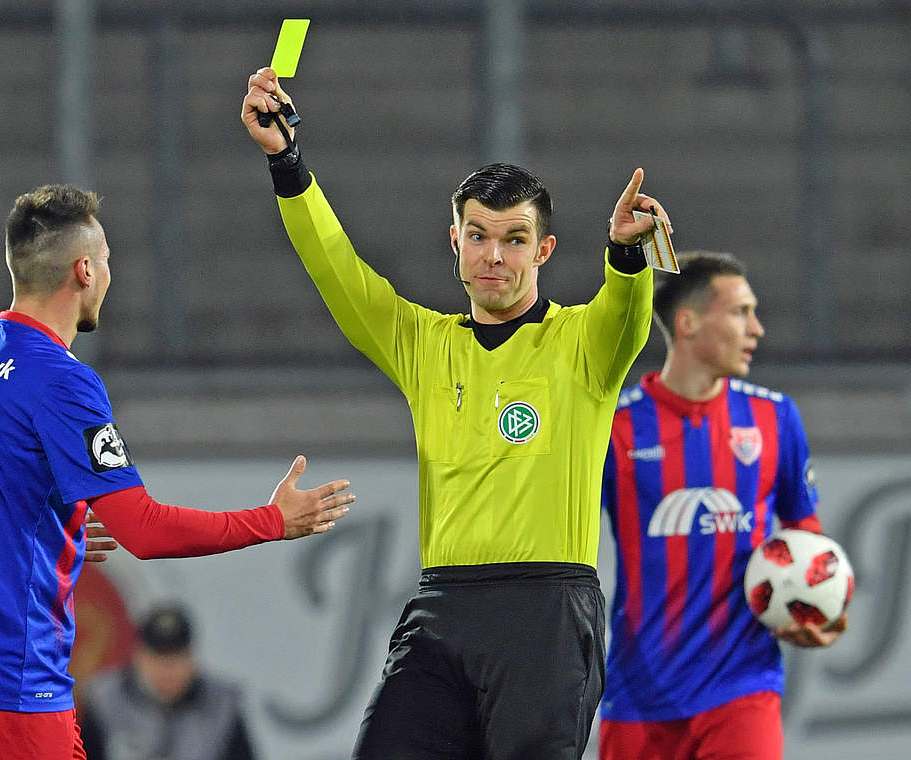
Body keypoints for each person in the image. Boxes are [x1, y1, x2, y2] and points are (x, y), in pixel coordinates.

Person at [241, 67, 672, 760]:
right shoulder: (422, 343)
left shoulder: (583, 344)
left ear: (544, 250)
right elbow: (337, 269)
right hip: (442, 607)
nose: (493, 256)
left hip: (547, 610)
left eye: (514, 239)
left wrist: (626, 254)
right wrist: (286, 162)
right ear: (455, 241)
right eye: (478, 236)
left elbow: (627, 316)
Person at [0, 184, 356, 760]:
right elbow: (143, 530)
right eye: (108, 260)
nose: (110, 275)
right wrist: (272, 520)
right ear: (85, 270)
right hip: (9, 667)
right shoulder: (62, 381)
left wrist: (45, 531)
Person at [598, 251, 849, 760]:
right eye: (740, 312)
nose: (756, 329)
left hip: (742, 685)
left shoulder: (774, 416)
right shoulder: (615, 427)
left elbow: (804, 527)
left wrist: (820, 602)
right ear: (687, 323)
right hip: (638, 693)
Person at [81, 604, 258, 760]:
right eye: (157, 659)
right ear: (138, 656)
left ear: (192, 657)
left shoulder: (221, 705)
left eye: (175, 659)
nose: (166, 670)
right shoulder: (105, 701)